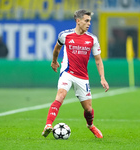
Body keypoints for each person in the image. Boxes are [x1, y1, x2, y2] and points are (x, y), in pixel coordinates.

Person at [42, 9, 109, 138]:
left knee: (88, 109)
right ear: (78, 21)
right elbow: (57, 48)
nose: (89, 23)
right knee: (60, 95)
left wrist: (102, 78)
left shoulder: (92, 39)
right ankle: (48, 125)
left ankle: (90, 126)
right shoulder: (65, 35)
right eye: (86, 21)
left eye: (89, 21)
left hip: (82, 77)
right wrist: (54, 61)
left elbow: (98, 59)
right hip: (67, 72)